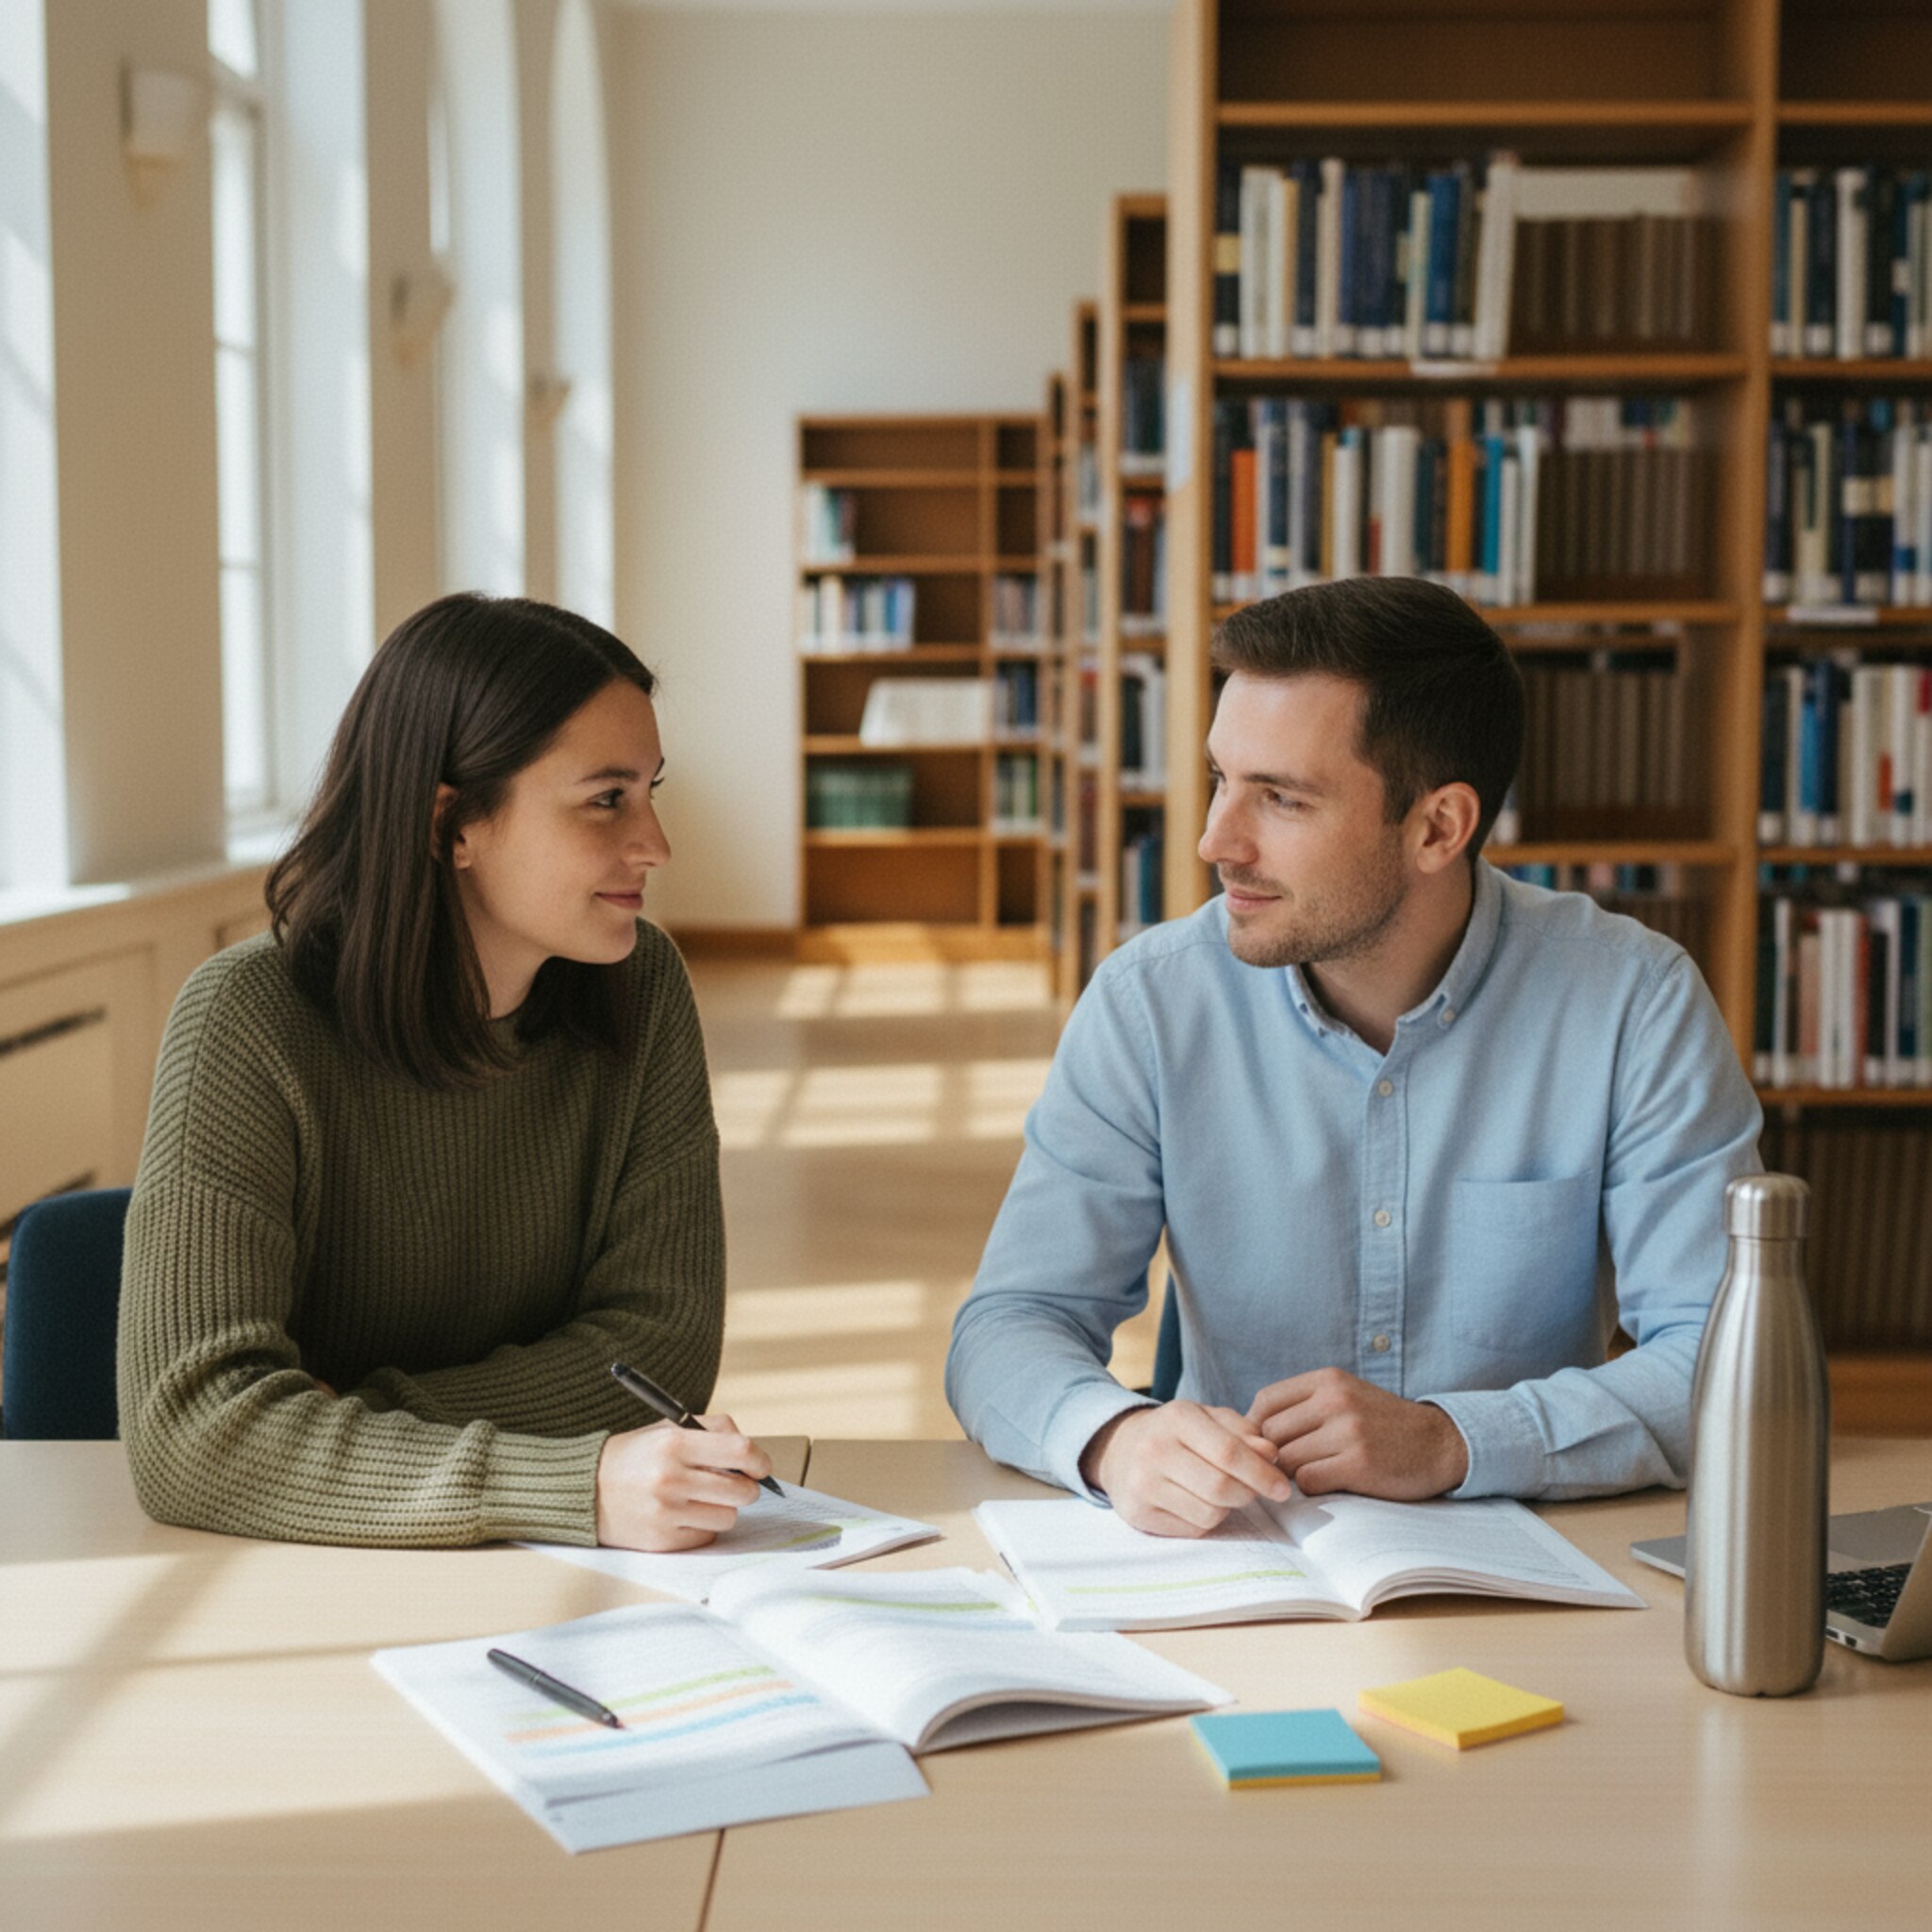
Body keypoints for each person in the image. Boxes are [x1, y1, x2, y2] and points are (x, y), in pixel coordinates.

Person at [946, 575, 1761, 1537]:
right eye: (1218, 779)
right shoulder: (1150, 1002)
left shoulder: (1631, 1000)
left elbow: (1723, 1357)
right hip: (1239, 1560)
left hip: (1528, 1558)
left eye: (1280, 799)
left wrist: (1455, 1439)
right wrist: (1114, 1438)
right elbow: (1005, 1326)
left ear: (1435, 827)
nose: (1214, 840)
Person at [118, 593, 772, 1548]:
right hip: (287, 1570)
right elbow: (193, 1431)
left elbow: (656, 1346)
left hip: (500, 1562)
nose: (655, 844)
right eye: (605, 798)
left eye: (650, 789)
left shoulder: (643, 987)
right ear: (449, 823)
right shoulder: (246, 1019)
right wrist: (571, 1483)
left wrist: (351, 1418)